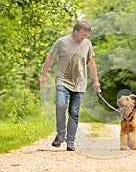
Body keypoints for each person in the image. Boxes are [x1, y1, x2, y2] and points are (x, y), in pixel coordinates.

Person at [38, 20, 101, 151]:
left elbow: (91, 62)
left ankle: (70, 141)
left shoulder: (87, 44)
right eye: (82, 35)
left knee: (74, 112)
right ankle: (60, 134)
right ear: (75, 32)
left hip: (80, 82)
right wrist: (43, 75)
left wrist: (96, 82)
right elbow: (50, 57)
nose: (84, 37)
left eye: (86, 35)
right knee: (61, 105)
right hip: (63, 80)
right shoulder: (61, 42)